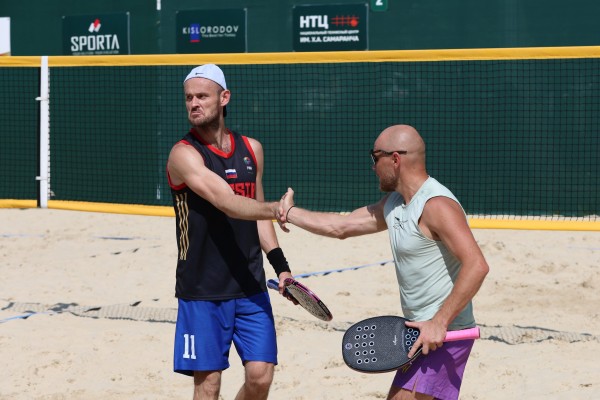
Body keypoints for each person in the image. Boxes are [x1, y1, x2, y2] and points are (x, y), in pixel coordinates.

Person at [278, 124, 489, 400]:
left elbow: (477, 265)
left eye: (375, 157)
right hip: (419, 333)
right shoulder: (395, 204)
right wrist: (290, 213)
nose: (372, 166)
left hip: (444, 335)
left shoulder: (436, 205)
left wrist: (439, 322)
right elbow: (341, 226)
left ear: (395, 159)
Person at [166, 63, 294, 400]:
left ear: (224, 98)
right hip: (202, 288)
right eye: (189, 98)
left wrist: (281, 267)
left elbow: (258, 216)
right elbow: (228, 203)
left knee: (260, 376)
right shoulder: (183, 154)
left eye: (202, 96)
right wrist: (278, 209)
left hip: (250, 283)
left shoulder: (252, 149)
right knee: (208, 384)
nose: (194, 103)